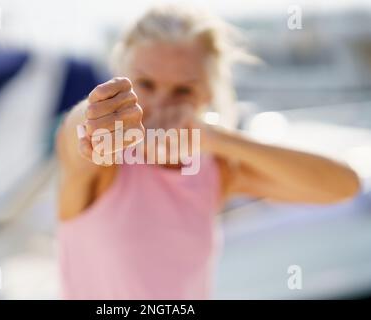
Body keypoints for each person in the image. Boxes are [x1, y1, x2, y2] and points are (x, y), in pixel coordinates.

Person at [55, 4, 360, 299]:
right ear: (122, 79)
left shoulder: (216, 169)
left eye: (183, 90)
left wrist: (218, 138)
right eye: (145, 85)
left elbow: (343, 186)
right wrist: (94, 117)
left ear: (207, 95)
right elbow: (75, 134)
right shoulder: (104, 165)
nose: (162, 106)